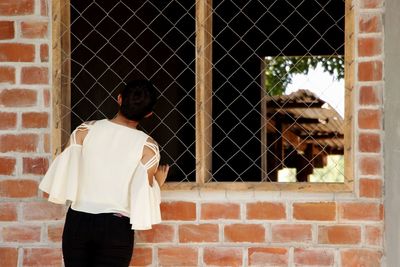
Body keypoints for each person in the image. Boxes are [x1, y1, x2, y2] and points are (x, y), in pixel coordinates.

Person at [39, 80, 169, 267]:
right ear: (149, 114)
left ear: (119, 98)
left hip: (78, 221)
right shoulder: (148, 147)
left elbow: (64, 171)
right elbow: (142, 193)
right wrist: (157, 182)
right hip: (116, 227)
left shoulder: (85, 130)